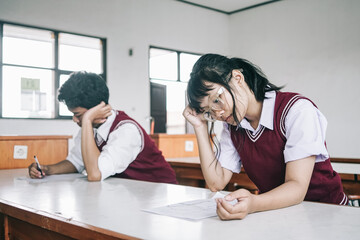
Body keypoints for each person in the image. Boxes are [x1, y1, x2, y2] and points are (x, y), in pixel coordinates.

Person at [183, 53, 347, 220]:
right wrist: (200, 126)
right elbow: (216, 183)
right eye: (209, 112)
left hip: (328, 213)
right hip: (281, 216)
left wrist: (254, 203)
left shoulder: (297, 110)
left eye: (217, 100)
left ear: (237, 78)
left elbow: (297, 187)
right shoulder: (232, 126)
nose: (218, 113)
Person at [28, 71, 177, 184]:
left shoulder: (126, 131)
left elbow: (94, 174)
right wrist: (48, 169)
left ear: (96, 109)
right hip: (128, 192)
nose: (75, 120)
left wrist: (86, 120)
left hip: (157, 195)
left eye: (78, 115)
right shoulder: (90, 128)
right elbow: (76, 162)